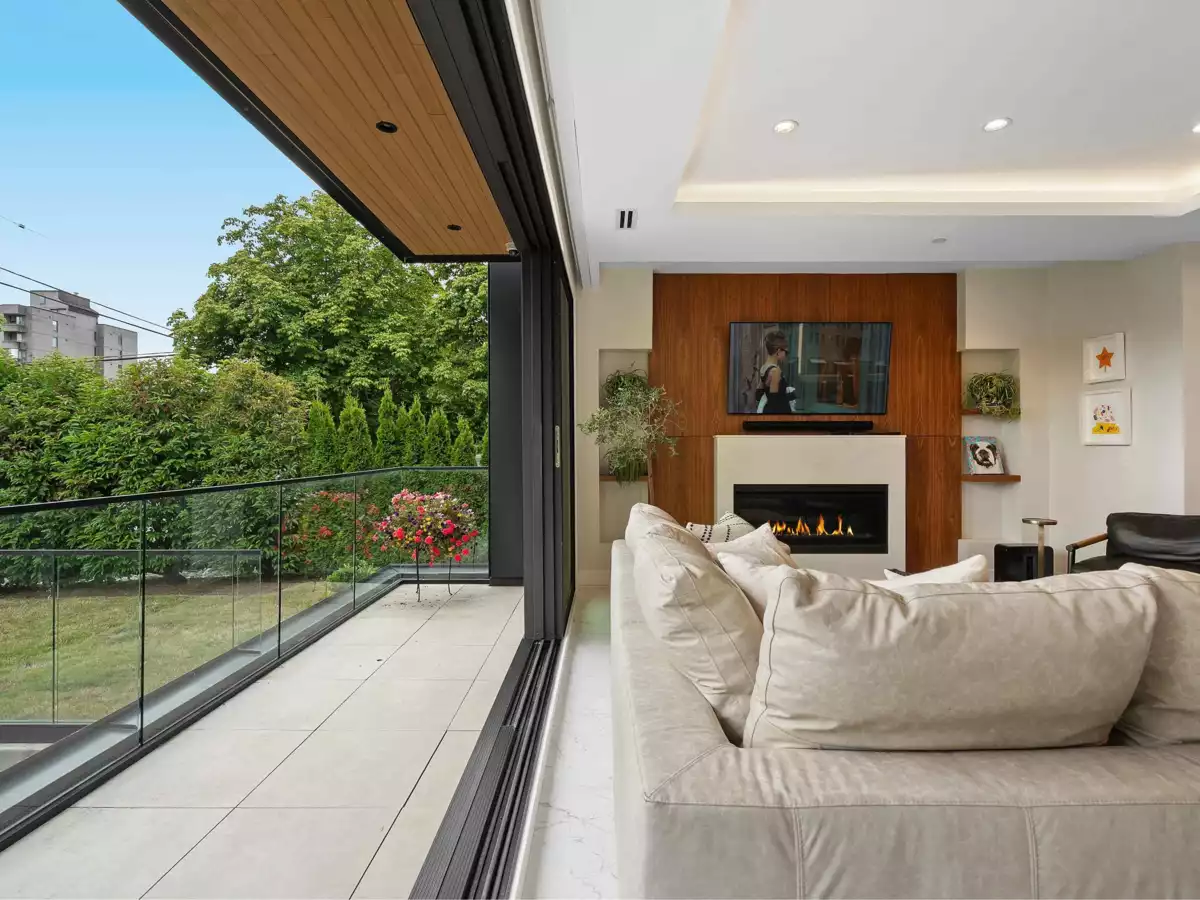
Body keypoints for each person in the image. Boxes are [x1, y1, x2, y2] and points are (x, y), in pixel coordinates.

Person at [756, 329, 793, 413]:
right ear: (779, 351)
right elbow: (774, 403)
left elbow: (759, 393)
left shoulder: (764, 367)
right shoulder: (775, 371)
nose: (786, 355)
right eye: (786, 352)